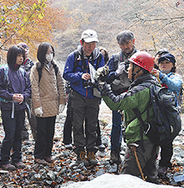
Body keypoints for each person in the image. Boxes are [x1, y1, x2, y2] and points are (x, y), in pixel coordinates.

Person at [99, 51, 158, 183]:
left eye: (131, 66)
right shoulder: (154, 84)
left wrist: (103, 85)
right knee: (150, 178)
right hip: (153, 140)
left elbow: (115, 102)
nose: (128, 69)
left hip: (139, 142)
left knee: (126, 180)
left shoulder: (140, 90)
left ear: (139, 70)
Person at [63, 29, 105, 166]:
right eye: (88, 44)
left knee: (92, 124)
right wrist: (79, 76)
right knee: (77, 124)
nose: (90, 47)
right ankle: (80, 151)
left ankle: (91, 151)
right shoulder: (73, 56)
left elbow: (102, 74)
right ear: (82, 43)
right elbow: (66, 74)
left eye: (93, 43)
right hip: (78, 95)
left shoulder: (99, 57)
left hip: (93, 95)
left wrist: (97, 77)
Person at [0, 45, 31, 171]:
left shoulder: (23, 72)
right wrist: (11, 96)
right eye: (18, 56)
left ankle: (17, 158)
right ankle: (4, 160)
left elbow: (28, 89)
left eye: (22, 56)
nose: (21, 58)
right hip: (8, 108)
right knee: (9, 134)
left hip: (20, 108)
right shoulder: (3, 70)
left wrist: (23, 96)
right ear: (12, 56)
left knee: (18, 134)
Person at [30, 42, 66, 165]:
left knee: (50, 131)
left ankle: (48, 154)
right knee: (41, 132)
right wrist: (37, 105)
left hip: (53, 104)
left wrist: (62, 101)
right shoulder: (36, 68)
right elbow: (34, 88)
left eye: (51, 52)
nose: (50, 55)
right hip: (42, 104)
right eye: (47, 52)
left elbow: (61, 84)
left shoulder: (55, 67)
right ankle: (38, 155)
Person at [106, 30, 137, 165]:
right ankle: (115, 152)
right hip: (118, 95)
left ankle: (135, 153)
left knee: (136, 124)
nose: (125, 47)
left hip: (136, 94)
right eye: (122, 44)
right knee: (117, 125)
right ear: (118, 45)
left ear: (133, 41)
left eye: (127, 43)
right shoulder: (114, 59)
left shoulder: (141, 57)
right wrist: (116, 72)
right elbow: (106, 77)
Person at [151, 53, 183, 177]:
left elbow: (175, 86)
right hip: (155, 112)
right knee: (153, 137)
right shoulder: (153, 77)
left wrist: (162, 77)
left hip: (169, 115)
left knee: (167, 140)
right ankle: (151, 162)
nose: (163, 65)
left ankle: (164, 164)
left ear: (173, 65)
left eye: (167, 62)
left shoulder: (175, 77)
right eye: (161, 63)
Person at [18, 42, 37, 141]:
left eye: (26, 50)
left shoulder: (33, 65)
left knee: (33, 117)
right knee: (20, 118)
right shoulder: (15, 65)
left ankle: (36, 137)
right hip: (19, 95)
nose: (25, 52)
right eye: (22, 50)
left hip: (30, 94)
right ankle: (24, 137)